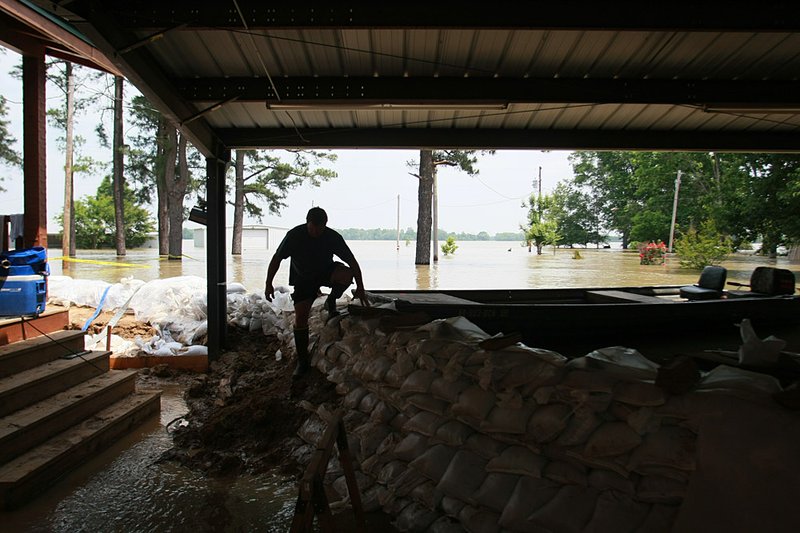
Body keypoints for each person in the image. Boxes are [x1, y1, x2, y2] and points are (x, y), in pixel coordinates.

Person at [265, 207, 368, 378]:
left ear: (325, 225)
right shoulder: (294, 235)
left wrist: (361, 288)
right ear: (307, 223)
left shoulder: (332, 237)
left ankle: (332, 300)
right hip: (303, 279)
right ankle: (302, 361)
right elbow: (277, 259)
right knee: (300, 319)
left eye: (320, 229)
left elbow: (352, 262)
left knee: (347, 273)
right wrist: (268, 283)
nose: (316, 232)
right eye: (313, 228)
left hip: (326, 273)